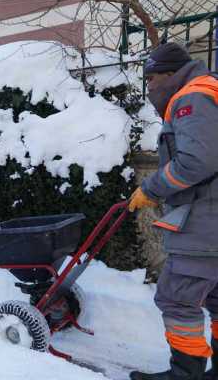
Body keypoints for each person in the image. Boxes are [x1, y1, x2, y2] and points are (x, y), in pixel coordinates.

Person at [128, 42, 218, 380]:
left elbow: (197, 161)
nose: (150, 88)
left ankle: (184, 375)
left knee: (177, 298)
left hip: (206, 222)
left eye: (152, 80)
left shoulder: (191, 98)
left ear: (170, 74)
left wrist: (151, 189)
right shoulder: (211, 89)